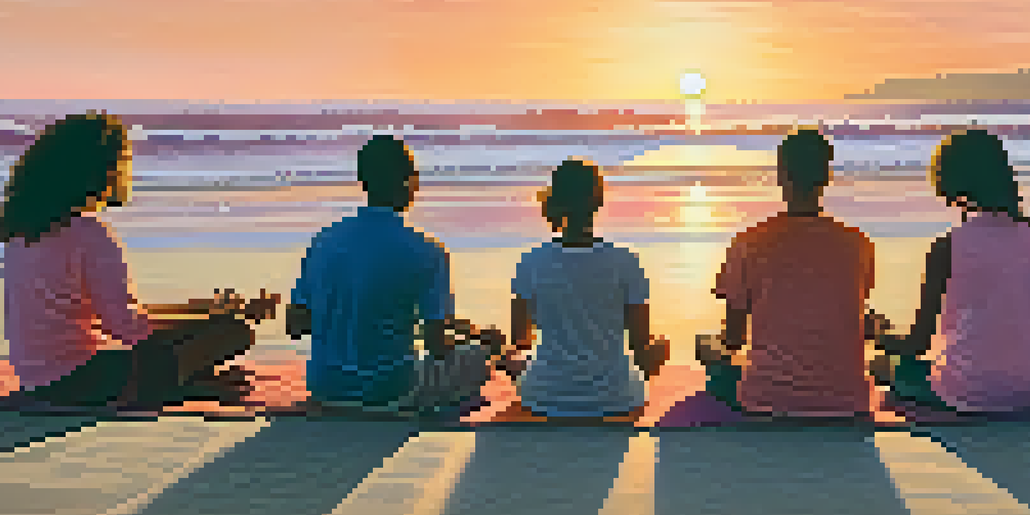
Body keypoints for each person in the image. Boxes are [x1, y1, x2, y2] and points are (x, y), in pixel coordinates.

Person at [0, 112, 277, 409]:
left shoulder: (22, 230)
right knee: (234, 333)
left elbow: (112, 315)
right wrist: (220, 320)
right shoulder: (89, 233)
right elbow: (128, 328)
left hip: (35, 379)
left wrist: (206, 308)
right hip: (82, 380)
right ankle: (181, 386)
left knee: (215, 327)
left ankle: (191, 380)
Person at [286, 135, 505, 416]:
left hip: (325, 386)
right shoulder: (426, 250)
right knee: (479, 356)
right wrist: (473, 340)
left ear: (363, 181)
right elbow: (436, 346)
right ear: (408, 182)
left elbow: (296, 327)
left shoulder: (323, 242)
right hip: (390, 390)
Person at [870, 129, 1030, 413]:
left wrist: (881, 335)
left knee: (886, 366)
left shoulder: (948, 246)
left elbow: (916, 345)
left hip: (971, 391)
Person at [696, 128, 877, 416]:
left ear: (781, 176)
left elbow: (733, 338)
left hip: (767, 397)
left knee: (706, 347)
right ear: (827, 177)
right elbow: (851, 310)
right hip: (847, 399)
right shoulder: (858, 243)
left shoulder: (749, 241)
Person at [503, 159, 669, 420]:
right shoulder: (625, 261)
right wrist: (660, 349)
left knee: (516, 358)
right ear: (599, 202)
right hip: (618, 397)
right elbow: (641, 348)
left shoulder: (531, 261)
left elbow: (520, 339)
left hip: (543, 396)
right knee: (660, 346)